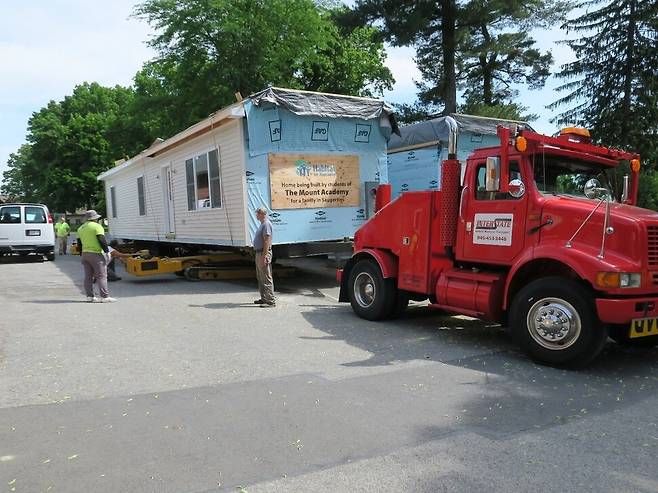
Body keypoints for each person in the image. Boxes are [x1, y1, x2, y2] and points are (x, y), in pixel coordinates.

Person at [77, 210, 116, 303]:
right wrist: (107, 251)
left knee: (88, 276)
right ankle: (104, 297)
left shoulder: (80, 228)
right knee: (101, 275)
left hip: (85, 254)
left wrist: (81, 254)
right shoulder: (97, 226)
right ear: (95, 218)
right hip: (95, 254)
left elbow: (79, 244)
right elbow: (101, 239)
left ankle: (89, 297)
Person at [253, 207, 275, 307]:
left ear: (262, 214)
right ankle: (264, 298)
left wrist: (264, 256)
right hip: (259, 253)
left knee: (266, 277)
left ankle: (270, 301)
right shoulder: (262, 224)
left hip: (263, 253)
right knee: (260, 277)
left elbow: (266, 241)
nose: (256, 215)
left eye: (257, 213)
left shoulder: (266, 224)